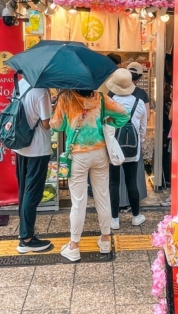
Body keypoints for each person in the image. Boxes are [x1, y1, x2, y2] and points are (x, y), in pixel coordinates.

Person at [50, 88, 129, 262]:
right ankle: (106, 240)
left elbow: (56, 125)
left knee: (78, 202)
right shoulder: (100, 98)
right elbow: (124, 114)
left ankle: (74, 246)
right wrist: (107, 121)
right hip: (100, 152)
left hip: (77, 155)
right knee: (102, 196)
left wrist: (58, 107)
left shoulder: (66, 97)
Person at [15, 70, 54, 253]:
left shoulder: (21, 84)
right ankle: (27, 239)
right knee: (33, 193)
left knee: (24, 190)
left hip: (21, 146)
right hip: (37, 148)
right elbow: (46, 123)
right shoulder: (42, 91)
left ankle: (24, 231)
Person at [106, 69, 148, 230]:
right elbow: (143, 127)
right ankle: (136, 216)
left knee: (114, 182)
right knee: (132, 182)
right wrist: (140, 140)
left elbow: (104, 124)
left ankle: (115, 219)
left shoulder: (109, 102)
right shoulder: (139, 103)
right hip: (133, 147)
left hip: (114, 148)